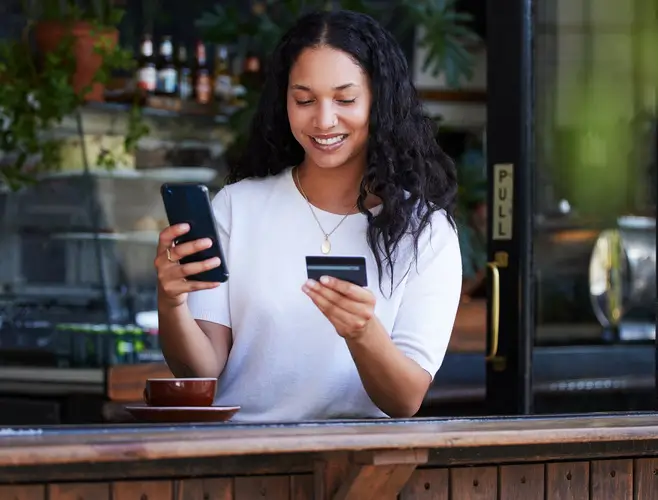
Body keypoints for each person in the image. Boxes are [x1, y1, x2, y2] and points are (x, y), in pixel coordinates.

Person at [154, 10, 462, 422]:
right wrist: (171, 302)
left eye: (345, 99)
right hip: (240, 459)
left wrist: (362, 332)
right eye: (304, 99)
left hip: (359, 469)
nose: (323, 120)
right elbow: (200, 368)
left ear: (379, 101)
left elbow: (404, 400)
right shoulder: (237, 207)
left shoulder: (425, 232)